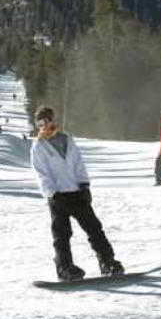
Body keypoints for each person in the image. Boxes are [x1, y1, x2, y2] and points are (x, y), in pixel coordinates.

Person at [31, 106, 124, 281]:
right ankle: (65, 267)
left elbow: (78, 165)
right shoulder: (39, 146)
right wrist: (52, 193)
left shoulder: (67, 140)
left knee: (94, 228)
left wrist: (84, 185)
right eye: (39, 123)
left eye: (46, 121)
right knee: (62, 235)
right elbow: (41, 173)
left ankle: (107, 262)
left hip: (76, 192)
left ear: (52, 120)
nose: (43, 126)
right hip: (58, 196)